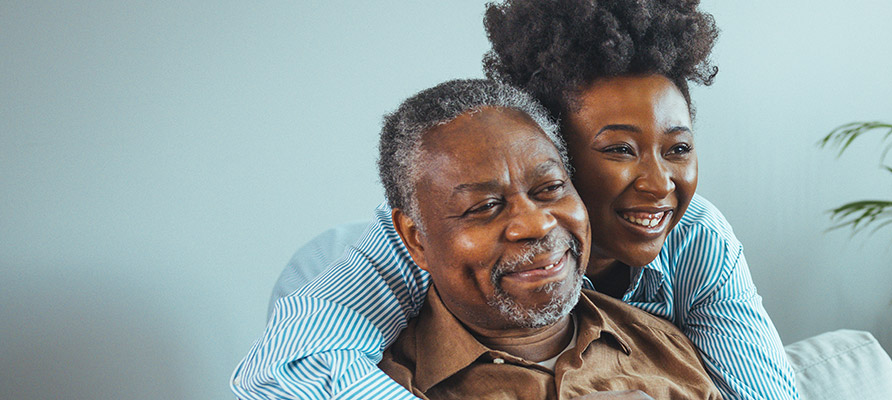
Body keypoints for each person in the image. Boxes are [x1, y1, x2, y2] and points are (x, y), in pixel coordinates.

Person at [231, 1, 799, 399]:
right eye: (620, 149)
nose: (659, 183)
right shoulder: (405, 246)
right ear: (551, 150)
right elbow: (292, 368)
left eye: (678, 148)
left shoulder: (697, 233)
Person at [373, 79, 720, 399]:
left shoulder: (668, 349)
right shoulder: (382, 383)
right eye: (484, 206)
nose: (536, 224)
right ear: (416, 239)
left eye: (551, 188)